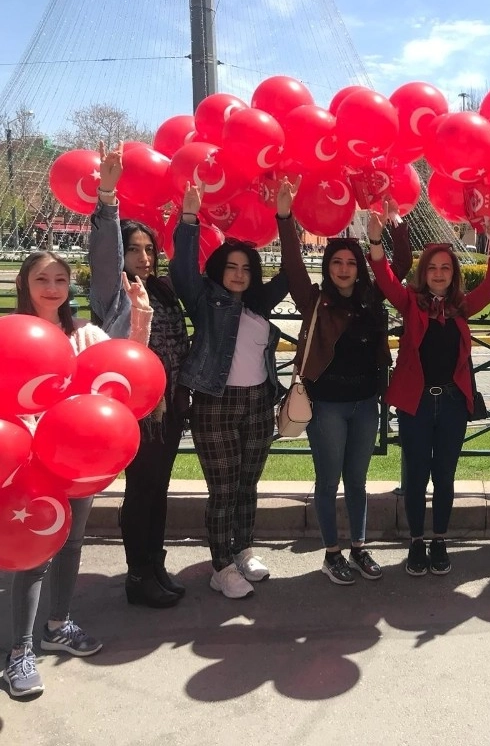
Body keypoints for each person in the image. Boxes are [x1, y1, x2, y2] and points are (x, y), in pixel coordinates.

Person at [4, 251, 151, 698]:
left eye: (60, 279)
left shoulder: (86, 334)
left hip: (77, 460)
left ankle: (58, 624)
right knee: (33, 554)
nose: (52, 287)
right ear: (24, 286)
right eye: (42, 278)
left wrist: (141, 321)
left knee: (69, 543)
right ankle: (19, 653)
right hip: (24, 460)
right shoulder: (12, 335)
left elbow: (125, 373)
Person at [276, 180, 412, 585]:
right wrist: (284, 218)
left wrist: (393, 223)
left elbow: (401, 264)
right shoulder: (314, 300)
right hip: (328, 407)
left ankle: (359, 547)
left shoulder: (372, 299)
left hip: (365, 403)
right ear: (328, 267)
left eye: (350, 263)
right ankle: (332, 553)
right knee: (328, 479)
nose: (344, 269)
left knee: (358, 480)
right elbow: (292, 263)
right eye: (336, 262)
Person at [169, 182, 288, 600]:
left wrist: (288, 218)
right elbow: (182, 271)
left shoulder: (259, 304)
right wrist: (189, 220)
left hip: (258, 402)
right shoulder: (206, 301)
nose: (239, 274)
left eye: (246, 269)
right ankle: (221, 565)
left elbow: (291, 269)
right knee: (223, 487)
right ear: (220, 270)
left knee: (247, 484)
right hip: (214, 403)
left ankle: (243, 549)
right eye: (232, 267)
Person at [369, 227, 490, 576]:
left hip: (453, 404)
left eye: (445, 268)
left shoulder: (461, 306)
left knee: (444, 476)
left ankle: (440, 540)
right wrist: (374, 241)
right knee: (416, 476)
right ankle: (416, 541)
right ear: (423, 272)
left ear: (453, 273)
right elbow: (384, 280)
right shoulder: (410, 302)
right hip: (416, 404)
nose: (439, 273)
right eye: (432, 268)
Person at [89, 142, 190, 608]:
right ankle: (137, 576)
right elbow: (103, 257)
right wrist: (108, 198)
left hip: (170, 407)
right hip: (137, 409)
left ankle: (155, 563)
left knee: (159, 488)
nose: (144, 258)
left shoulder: (162, 291)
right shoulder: (116, 295)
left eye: (149, 250)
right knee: (142, 489)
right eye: (135, 250)